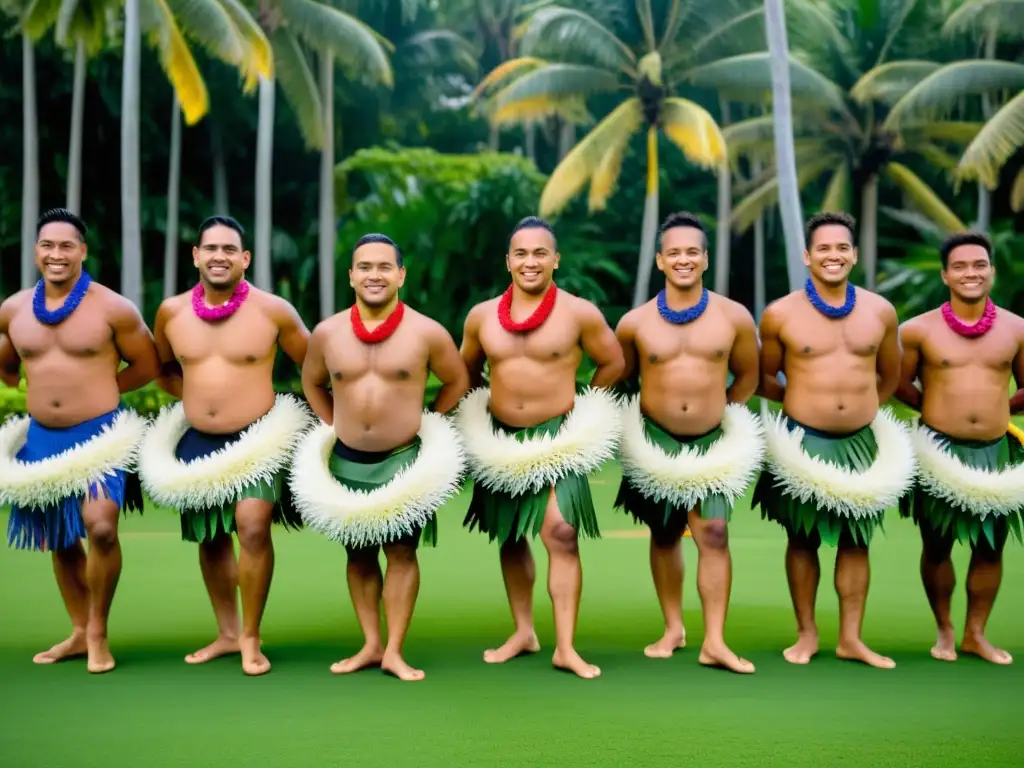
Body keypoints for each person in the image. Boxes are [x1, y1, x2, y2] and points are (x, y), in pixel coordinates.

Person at [290, 234, 470, 682]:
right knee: (358, 554)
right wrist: (333, 424)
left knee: (402, 551)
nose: (374, 274)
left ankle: (394, 650)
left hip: (404, 458)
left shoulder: (427, 331)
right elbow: (312, 382)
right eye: (364, 266)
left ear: (401, 275)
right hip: (347, 458)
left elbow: (457, 381)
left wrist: (429, 422)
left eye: (385, 266)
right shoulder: (328, 333)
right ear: (351, 275)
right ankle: (370, 643)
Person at [139, 215, 312, 676]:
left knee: (252, 525)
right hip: (198, 440)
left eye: (229, 249)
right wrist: (196, 399)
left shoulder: (274, 310)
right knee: (212, 537)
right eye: (210, 248)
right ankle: (227, 632)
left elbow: (315, 364)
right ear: (195, 255)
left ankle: (252, 636)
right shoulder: (171, 312)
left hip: (258, 439)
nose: (219, 256)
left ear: (245, 258)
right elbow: (160, 366)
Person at [456, 216, 625, 680]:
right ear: (508, 261)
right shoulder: (481, 315)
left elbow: (613, 362)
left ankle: (566, 647)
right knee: (511, 537)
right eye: (521, 254)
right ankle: (524, 631)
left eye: (539, 253)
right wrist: (483, 411)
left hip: (559, 440)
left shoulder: (580, 313)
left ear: (555, 259)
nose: (530, 262)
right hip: (501, 439)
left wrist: (583, 408)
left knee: (561, 532)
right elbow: (465, 369)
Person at [752, 211, 915, 669]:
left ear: (854, 254)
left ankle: (851, 638)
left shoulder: (880, 311)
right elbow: (764, 376)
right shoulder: (780, 313)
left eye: (842, 247)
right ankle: (806, 634)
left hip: (861, 443)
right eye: (823, 248)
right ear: (808, 256)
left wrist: (861, 407)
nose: (833, 255)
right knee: (802, 539)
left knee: (856, 540)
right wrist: (802, 404)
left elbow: (890, 374)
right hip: (803, 441)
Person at [0, 207, 158, 673]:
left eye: (67, 245)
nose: (56, 254)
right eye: (47, 245)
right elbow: (7, 365)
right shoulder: (13, 309)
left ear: (83, 251)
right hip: (42, 437)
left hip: (100, 436)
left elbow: (146, 365)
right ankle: (78, 630)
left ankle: (99, 634)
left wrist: (105, 392)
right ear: (36, 251)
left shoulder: (114, 308)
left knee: (101, 526)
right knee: (60, 538)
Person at [613, 212, 763, 673]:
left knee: (713, 534)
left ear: (704, 258)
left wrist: (716, 415)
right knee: (663, 534)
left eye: (692, 252)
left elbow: (749, 376)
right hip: (655, 442)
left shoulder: (734, 316)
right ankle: (673, 627)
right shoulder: (634, 323)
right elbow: (622, 381)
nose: (683, 259)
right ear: (660, 260)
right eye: (674, 252)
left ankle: (715, 640)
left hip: (710, 444)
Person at [895, 231, 1024, 665]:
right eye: (961, 266)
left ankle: (976, 633)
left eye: (979, 264)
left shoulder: (1017, 328)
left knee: (991, 546)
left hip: (994, 452)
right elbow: (897, 382)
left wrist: (995, 408)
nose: (971, 272)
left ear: (991, 270)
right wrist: (933, 406)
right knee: (937, 545)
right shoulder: (917, 330)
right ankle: (946, 630)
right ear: (947, 274)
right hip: (938, 450)